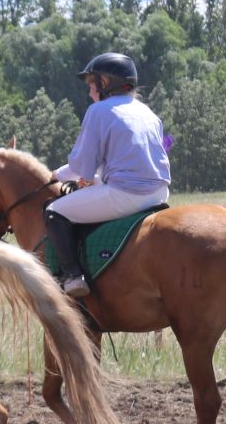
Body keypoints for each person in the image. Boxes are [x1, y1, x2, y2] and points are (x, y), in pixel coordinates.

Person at [47, 52, 172, 298]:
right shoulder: (148, 112)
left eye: (91, 85)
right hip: (159, 194)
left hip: (126, 194)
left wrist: (54, 175)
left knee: (54, 212)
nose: (89, 92)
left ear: (105, 84)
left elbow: (83, 167)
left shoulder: (99, 111)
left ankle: (73, 277)